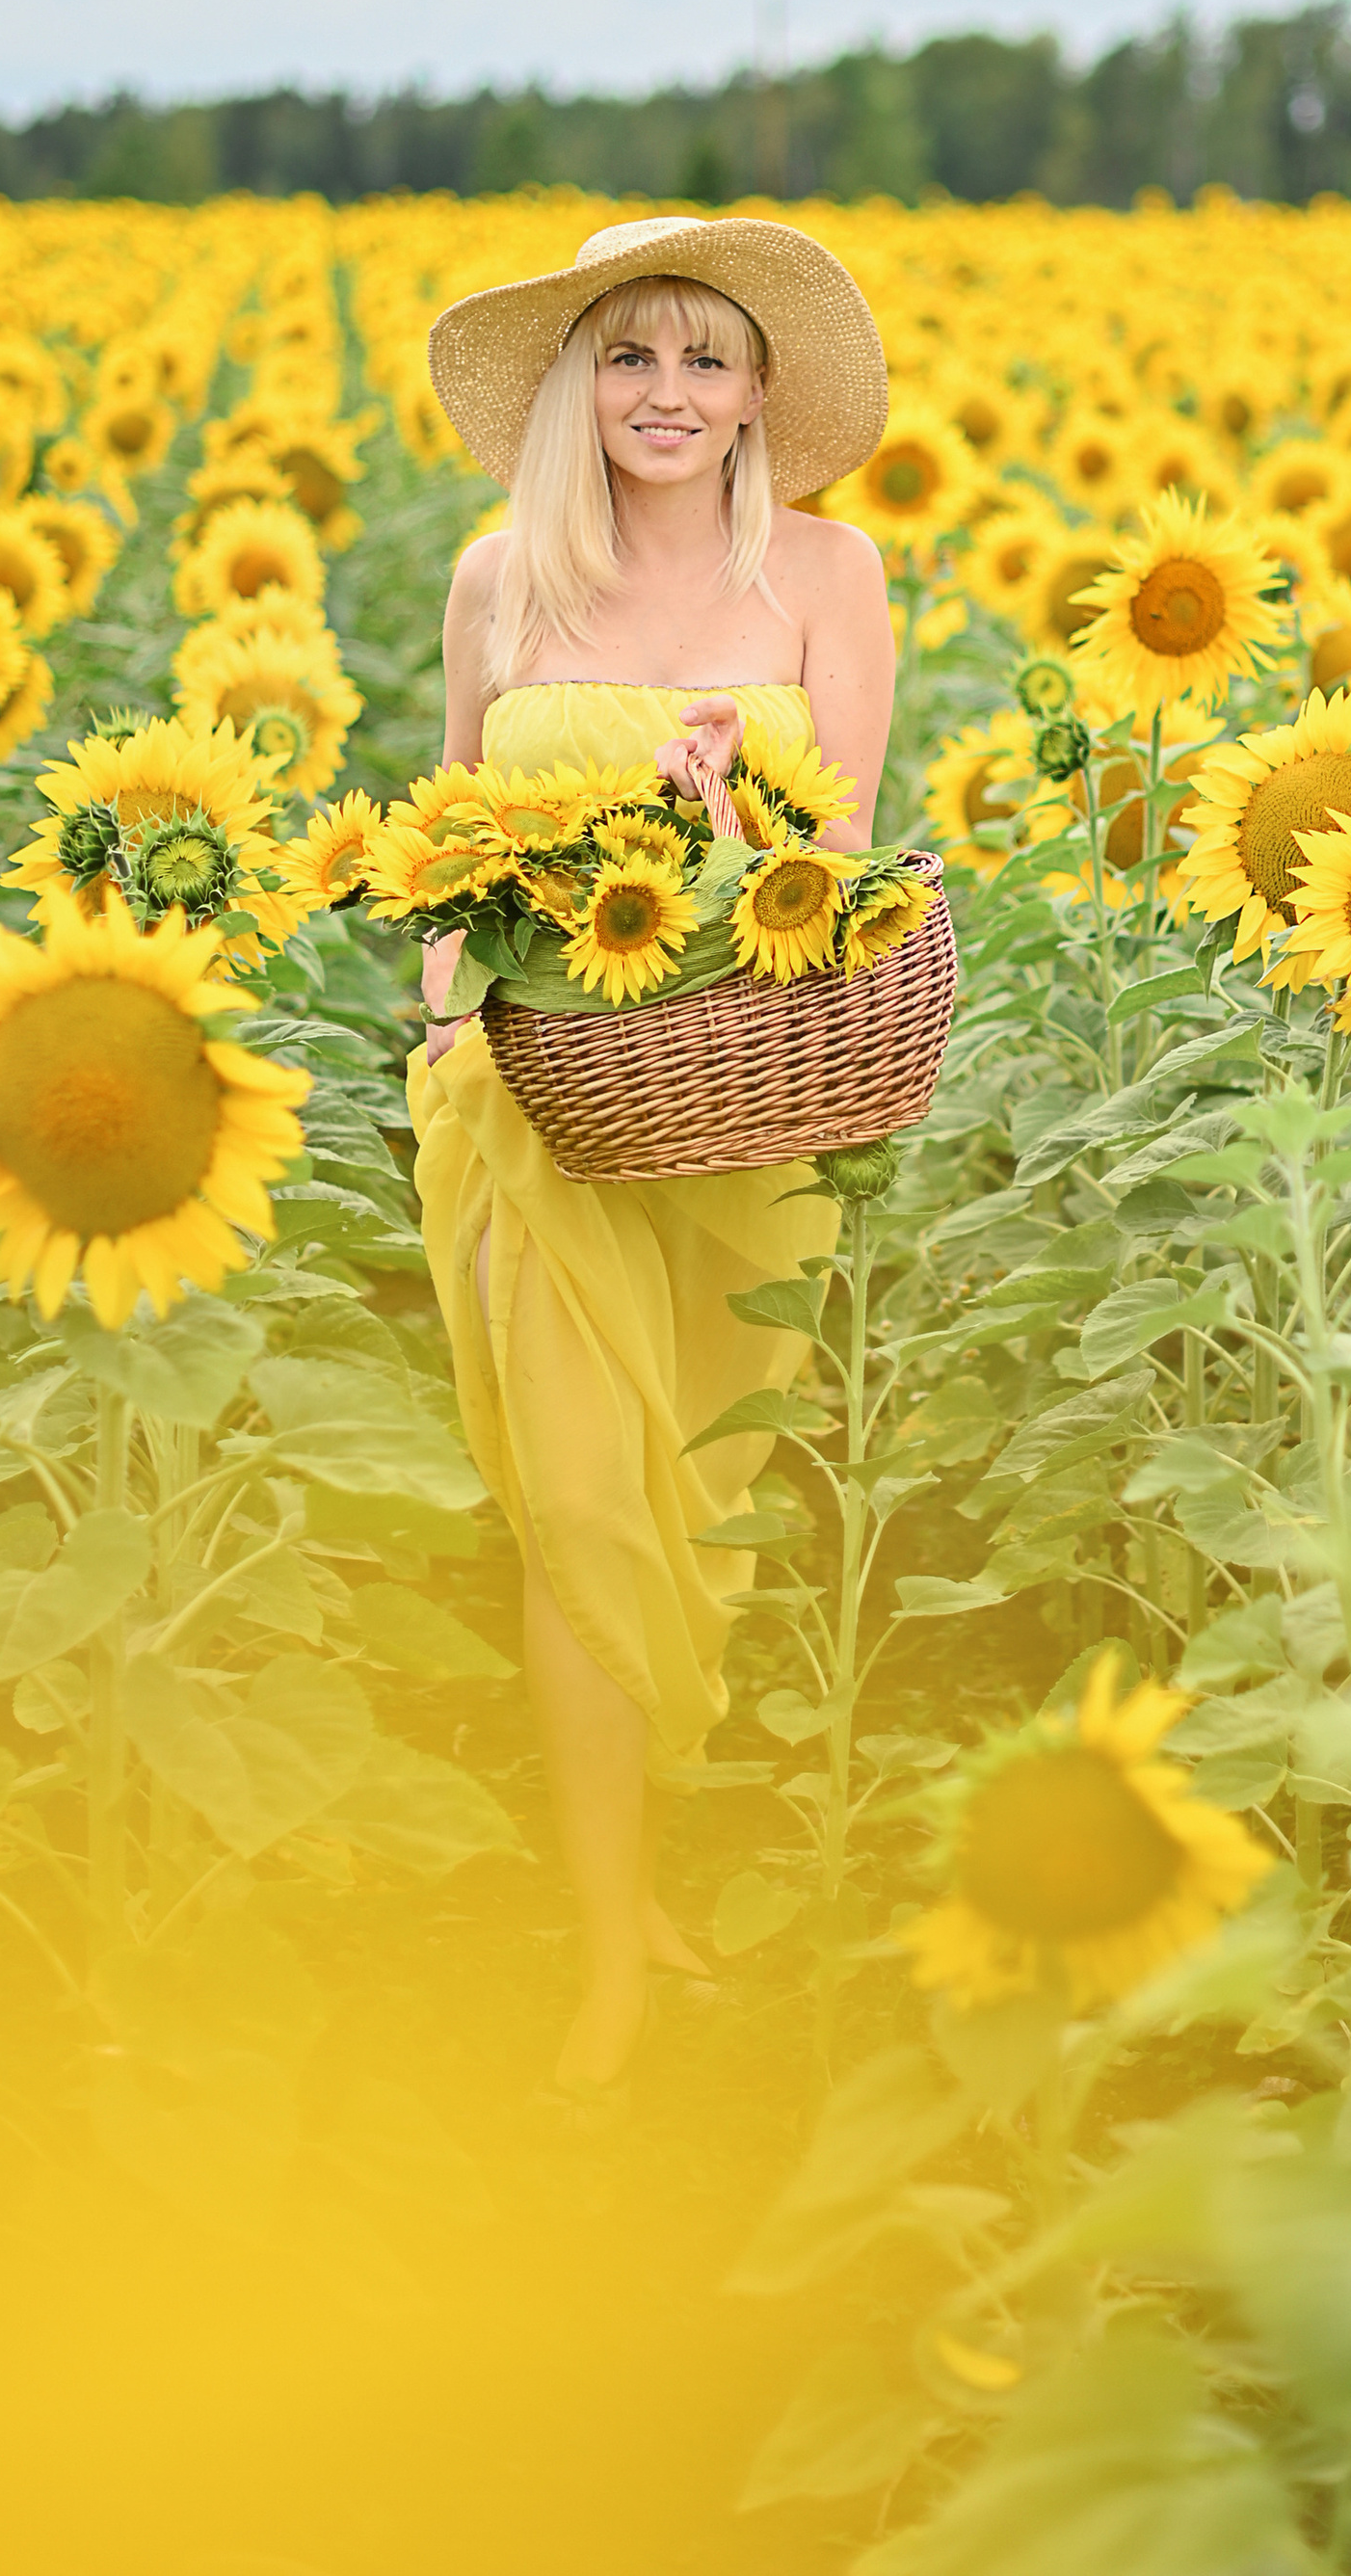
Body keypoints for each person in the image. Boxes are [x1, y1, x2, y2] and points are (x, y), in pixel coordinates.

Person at [408, 214, 897, 2094]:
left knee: (692, 1509)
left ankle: (661, 1880)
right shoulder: (496, 582)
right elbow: (448, 841)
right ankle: (608, 1944)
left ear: (761, 389)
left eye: (704, 359)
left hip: (735, 1102)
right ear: (572, 387)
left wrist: (728, 798)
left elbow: (836, 854)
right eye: (628, 356)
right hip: (530, 1106)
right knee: (582, 1504)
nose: (666, 395)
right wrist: (444, 1021)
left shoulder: (829, 575)